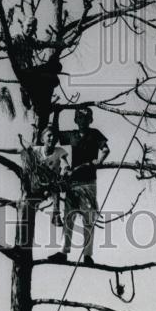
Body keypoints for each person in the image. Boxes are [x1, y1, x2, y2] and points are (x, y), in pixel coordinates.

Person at [47, 106, 109, 265]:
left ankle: (88, 255)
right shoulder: (72, 135)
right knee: (69, 217)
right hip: (73, 182)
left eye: (86, 118)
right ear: (76, 120)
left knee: (88, 219)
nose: (83, 121)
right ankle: (63, 252)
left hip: (88, 182)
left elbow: (106, 149)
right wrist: (56, 113)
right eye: (80, 118)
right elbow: (55, 134)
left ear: (90, 120)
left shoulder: (94, 134)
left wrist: (99, 161)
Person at [33, 126, 68, 227]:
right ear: (42, 139)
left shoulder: (59, 151)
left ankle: (56, 214)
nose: (52, 138)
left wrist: (65, 169)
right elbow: (18, 150)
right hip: (39, 181)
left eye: (55, 136)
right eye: (49, 135)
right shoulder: (37, 150)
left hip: (52, 182)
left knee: (56, 186)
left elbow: (64, 162)